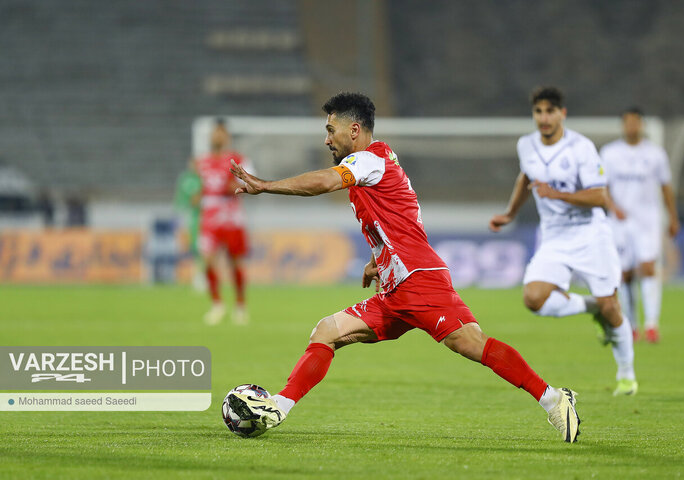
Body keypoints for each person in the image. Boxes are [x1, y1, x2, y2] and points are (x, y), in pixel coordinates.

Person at [226, 92, 581, 443]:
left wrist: (265, 186)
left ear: (354, 130)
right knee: (326, 331)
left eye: (330, 129)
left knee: (471, 344)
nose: (326, 138)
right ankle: (279, 407)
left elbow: (323, 182)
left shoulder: (370, 159)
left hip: (419, 280)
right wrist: (375, 261)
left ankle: (553, 399)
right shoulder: (371, 168)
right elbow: (400, 220)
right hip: (396, 290)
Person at [489, 86, 638, 396]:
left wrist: (559, 195)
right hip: (555, 237)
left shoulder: (580, 147)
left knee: (613, 307)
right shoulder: (526, 145)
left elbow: (600, 196)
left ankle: (626, 374)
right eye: (538, 112)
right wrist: (510, 213)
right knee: (533, 298)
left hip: (591, 234)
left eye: (550, 111)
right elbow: (525, 177)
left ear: (562, 114)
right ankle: (592, 306)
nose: (543, 118)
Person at [600, 108, 680, 343]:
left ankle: (652, 325)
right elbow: (601, 186)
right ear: (623, 126)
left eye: (636, 123)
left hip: (647, 221)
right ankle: (631, 325)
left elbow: (665, 187)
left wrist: (673, 217)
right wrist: (613, 207)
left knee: (647, 268)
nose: (632, 127)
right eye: (628, 123)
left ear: (642, 125)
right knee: (624, 275)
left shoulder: (656, 154)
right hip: (620, 221)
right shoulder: (610, 153)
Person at [196, 119, 253, 325]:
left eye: (220, 133)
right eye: (214, 133)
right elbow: (198, 186)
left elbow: (248, 184)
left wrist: (234, 186)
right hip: (209, 216)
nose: (217, 137)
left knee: (234, 261)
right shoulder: (201, 161)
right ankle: (217, 305)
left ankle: (240, 305)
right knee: (208, 259)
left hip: (231, 216)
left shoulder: (237, 159)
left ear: (226, 136)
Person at [174, 157, 203, 290]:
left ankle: (202, 277)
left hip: (203, 216)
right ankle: (196, 276)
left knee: (204, 248)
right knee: (194, 248)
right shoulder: (185, 178)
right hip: (190, 216)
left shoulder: (203, 178)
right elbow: (181, 199)